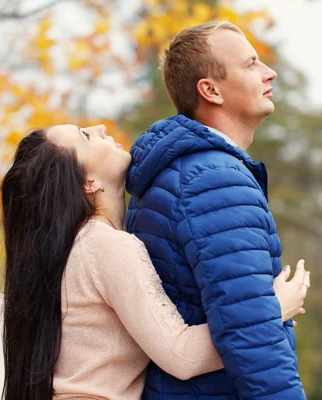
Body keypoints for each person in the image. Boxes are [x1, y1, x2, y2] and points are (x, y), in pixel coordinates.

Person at [0, 125, 309, 400]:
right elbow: (182, 355)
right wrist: (272, 309)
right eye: (86, 136)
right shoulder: (105, 246)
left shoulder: (80, 245)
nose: (100, 127)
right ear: (88, 182)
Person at [125, 21, 308, 399]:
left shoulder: (180, 171)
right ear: (210, 90)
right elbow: (252, 335)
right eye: (251, 64)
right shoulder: (214, 180)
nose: (269, 72)